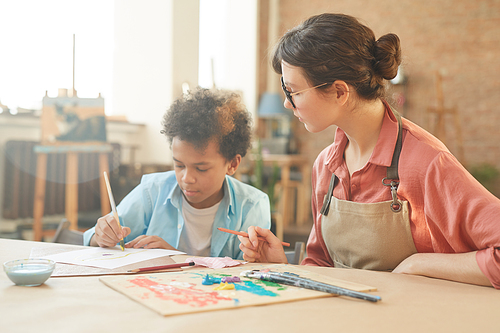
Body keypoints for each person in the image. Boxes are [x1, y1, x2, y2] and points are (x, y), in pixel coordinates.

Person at [238, 13, 500, 288]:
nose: (286, 104)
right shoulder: (325, 166)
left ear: (340, 92)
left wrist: (418, 264)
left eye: (293, 91)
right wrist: (281, 266)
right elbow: (322, 265)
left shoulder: (425, 163)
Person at [84, 87, 271, 260]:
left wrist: (179, 259)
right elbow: (93, 237)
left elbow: (250, 274)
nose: (186, 178)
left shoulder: (252, 206)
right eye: (179, 165)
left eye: (201, 168)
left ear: (232, 164)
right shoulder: (153, 191)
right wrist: (101, 235)